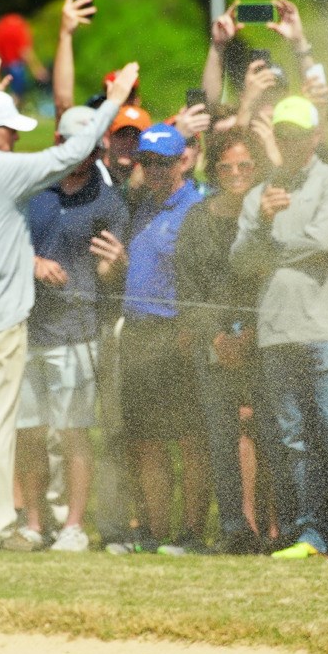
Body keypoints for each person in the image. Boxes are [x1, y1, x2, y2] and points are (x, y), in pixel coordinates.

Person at [0, 62, 139, 551]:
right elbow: (74, 150)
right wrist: (115, 97)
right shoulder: (2, 170)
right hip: (0, 320)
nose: (12, 143)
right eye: (8, 133)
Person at [232, 97, 328, 561]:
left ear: (315, 137)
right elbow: (239, 261)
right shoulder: (260, 196)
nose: (291, 142)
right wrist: (262, 223)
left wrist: (268, 247)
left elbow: (324, 240)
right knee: (294, 442)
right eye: (283, 134)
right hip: (276, 333)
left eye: (299, 133)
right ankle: (310, 533)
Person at [16, 106, 131, 552]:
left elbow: (107, 274)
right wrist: (33, 262)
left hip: (76, 332)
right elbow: (3, 245)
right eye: (72, 144)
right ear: (59, 143)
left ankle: (74, 527)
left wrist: (115, 265)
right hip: (27, 329)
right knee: (28, 433)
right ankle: (33, 523)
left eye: (90, 147)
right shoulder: (31, 193)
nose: (82, 154)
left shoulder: (109, 202)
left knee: (73, 431)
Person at [114, 122, 207, 553]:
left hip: (177, 332)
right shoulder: (139, 206)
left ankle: (189, 533)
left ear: (182, 161)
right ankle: (152, 531)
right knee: (146, 438)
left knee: (188, 439)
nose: (152, 170)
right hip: (137, 332)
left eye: (161, 162)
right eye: (145, 162)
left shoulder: (197, 206)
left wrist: (193, 326)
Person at [175, 127, 264, 554]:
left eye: (244, 164)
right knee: (221, 437)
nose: (235, 173)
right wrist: (215, 338)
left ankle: (271, 527)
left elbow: (273, 277)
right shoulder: (197, 218)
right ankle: (233, 528)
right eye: (225, 165)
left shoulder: (269, 212)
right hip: (212, 345)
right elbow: (187, 286)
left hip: (265, 342)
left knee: (268, 434)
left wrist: (249, 335)